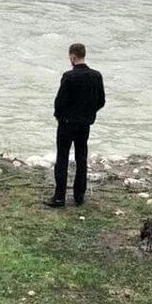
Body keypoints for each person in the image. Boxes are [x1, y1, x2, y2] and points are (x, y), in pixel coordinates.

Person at [45, 43, 106, 208]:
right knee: (81, 157)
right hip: (85, 123)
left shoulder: (69, 77)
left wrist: (59, 116)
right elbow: (101, 101)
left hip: (67, 123)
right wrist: (89, 114)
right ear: (84, 55)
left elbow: (59, 102)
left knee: (62, 158)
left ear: (73, 57)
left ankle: (59, 197)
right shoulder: (96, 76)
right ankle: (79, 195)